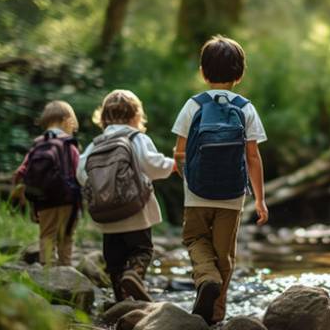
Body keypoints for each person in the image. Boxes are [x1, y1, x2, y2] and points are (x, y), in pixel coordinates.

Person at [172, 35, 269, 324]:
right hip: (232, 196)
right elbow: (253, 157)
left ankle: (205, 278)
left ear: (203, 71)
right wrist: (260, 199)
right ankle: (216, 316)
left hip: (197, 193)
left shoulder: (193, 105)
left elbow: (179, 153)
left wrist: (188, 176)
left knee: (194, 238)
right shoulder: (246, 108)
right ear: (239, 74)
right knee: (224, 254)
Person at [76, 90, 174, 302]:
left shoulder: (96, 143)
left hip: (107, 215)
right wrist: (173, 165)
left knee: (114, 260)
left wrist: (103, 192)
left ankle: (121, 298)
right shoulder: (137, 138)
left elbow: (81, 173)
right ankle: (134, 275)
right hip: (135, 211)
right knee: (142, 250)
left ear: (102, 117)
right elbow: (152, 165)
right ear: (136, 116)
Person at [12, 100, 81, 266]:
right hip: (67, 199)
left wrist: (21, 193)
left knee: (47, 235)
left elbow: (20, 172)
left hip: (43, 200)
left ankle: (47, 273)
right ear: (67, 120)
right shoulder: (69, 144)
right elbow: (80, 172)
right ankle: (66, 269)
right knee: (66, 235)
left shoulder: (38, 144)